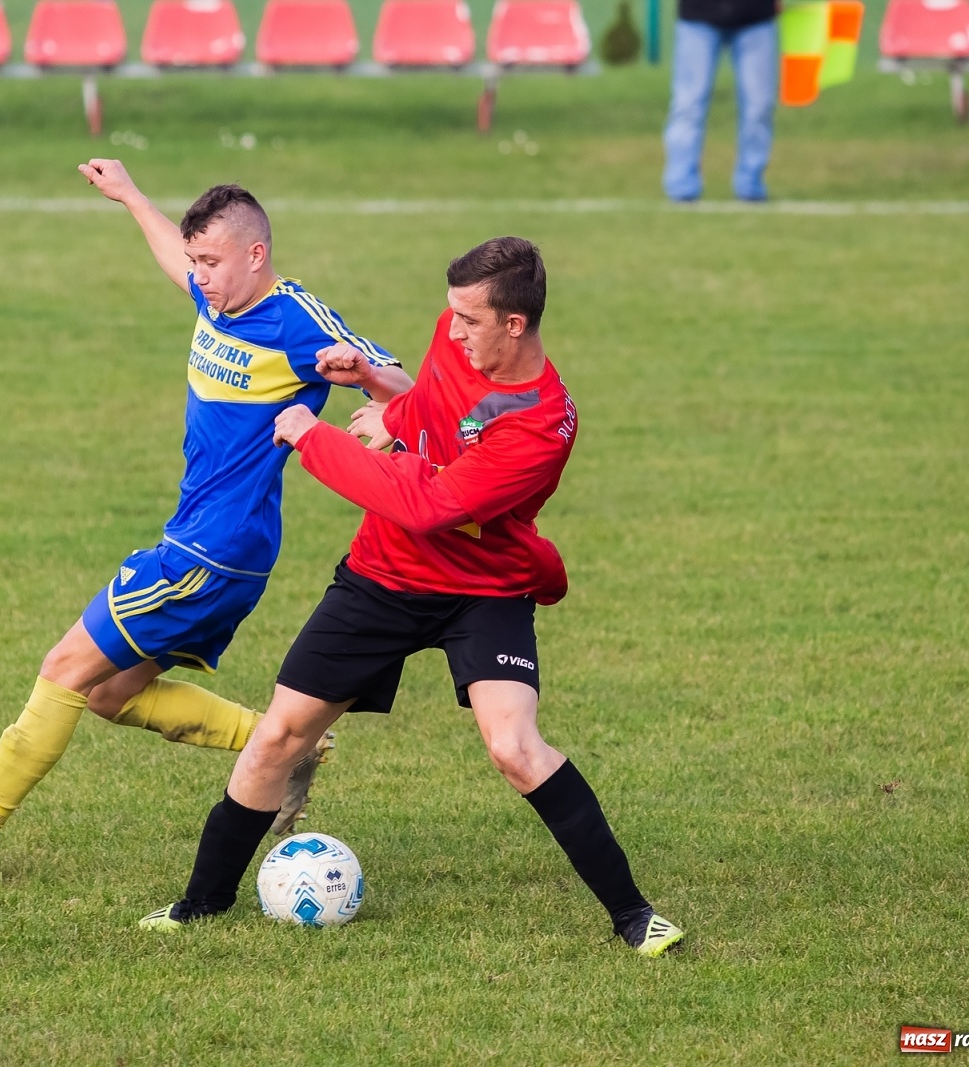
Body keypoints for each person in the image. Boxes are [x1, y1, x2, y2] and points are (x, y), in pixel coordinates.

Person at [138, 237, 685, 957]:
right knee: (278, 736)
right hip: (383, 578)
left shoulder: (541, 426)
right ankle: (199, 904)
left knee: (515, 746)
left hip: (482, 588)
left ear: (514, 324)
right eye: (451, 313)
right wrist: (374, 382)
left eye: (469, 319)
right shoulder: (456, 335)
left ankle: (634, 915)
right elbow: (433, 407)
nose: (450, 329)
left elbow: (430, 504)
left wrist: (313, 437)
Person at [0, 162, 410, 881]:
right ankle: (283, 749)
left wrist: (365, 374)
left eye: (213, 261)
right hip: (215, 544)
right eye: (197, 262)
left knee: (64, 668)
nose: (201, 277)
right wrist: (129, 196)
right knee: (107, 692)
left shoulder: (298, 319)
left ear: (258, 254)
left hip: (208, 550)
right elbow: (175, 259)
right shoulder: (219, 299)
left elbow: (403, 382)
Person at [661, 0, 779, 202]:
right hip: (698, 15)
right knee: (688, 105)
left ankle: (751, 185)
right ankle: (681, 187)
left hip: (756, 16)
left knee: (759, 106)